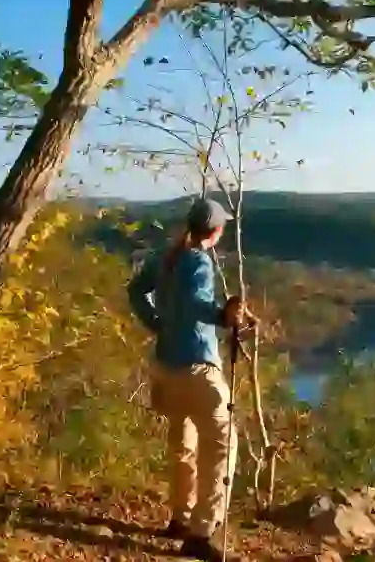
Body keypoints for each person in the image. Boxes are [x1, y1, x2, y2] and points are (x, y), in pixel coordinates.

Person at [127, 197, 254, 562]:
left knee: (183, 440)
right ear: (216, 231)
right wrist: (222, 316)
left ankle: (181, 518)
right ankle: (202, 532)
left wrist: (157, 324)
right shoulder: (198, 260)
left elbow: (135, 291)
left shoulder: (164, 258)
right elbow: (200, 303)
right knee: (221, 445)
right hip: (197, 366)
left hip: (166, 364)